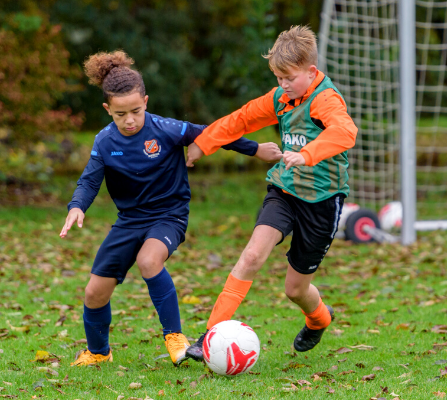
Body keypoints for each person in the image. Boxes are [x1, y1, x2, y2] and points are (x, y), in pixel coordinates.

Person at [59, 50, 282, 367]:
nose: (130, 120)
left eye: (136, 111)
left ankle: (175, 337)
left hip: (168, 217)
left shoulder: (166, 129)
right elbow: (89, 181)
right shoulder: (104, 142)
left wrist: (256, 149)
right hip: (129, 222)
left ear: (146, 102)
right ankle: (98, 352)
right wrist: (77, 206)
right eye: (121, 114)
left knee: (149, 259)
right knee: (94, 292)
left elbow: (213, 133)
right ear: (107, 109)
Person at [185, 25, 358, 361]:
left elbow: (345, 132)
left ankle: (319, 318)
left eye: (288, 78)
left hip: (323, 201)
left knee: (295, 289)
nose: (282, 85)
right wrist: (203, 143)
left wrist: (307, 154)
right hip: (285, 190)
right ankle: (208, 335)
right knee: (251, 256)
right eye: (278, 77)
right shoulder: (281, 98)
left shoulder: (325, 99)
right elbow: (241, 119)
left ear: (311, 72)